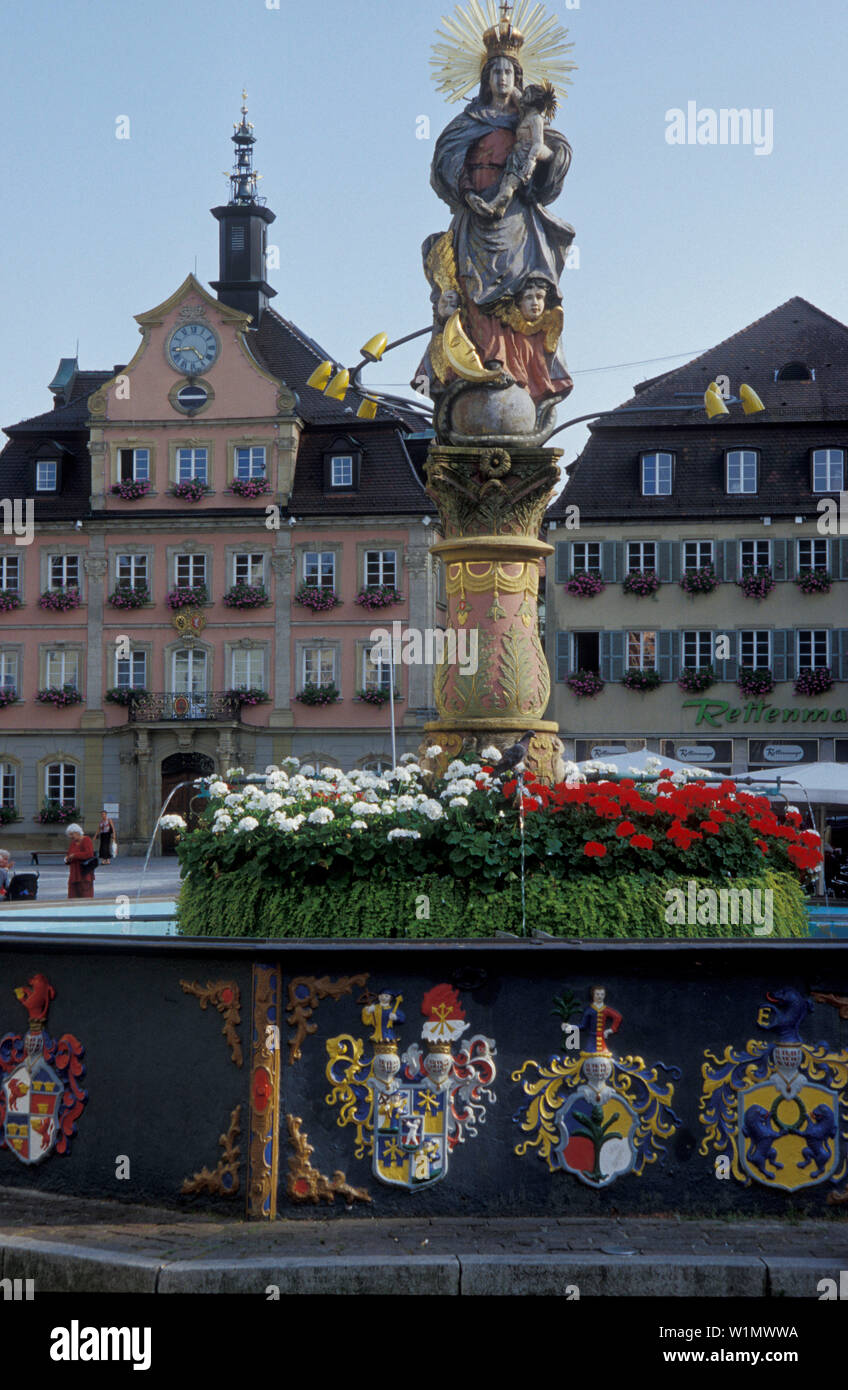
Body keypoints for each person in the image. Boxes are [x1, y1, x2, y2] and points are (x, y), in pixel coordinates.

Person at [429, 52, 575, 404]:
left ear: (518, 77)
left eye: (508, 71)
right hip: (475, 212)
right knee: (470, 289)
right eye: (494, 71)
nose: (502, 77)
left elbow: (559, 153)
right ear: (485, 78)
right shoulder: (468, 120)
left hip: (515, 219)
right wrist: (466, 192)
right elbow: (443, 161)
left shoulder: (527, 118)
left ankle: (520, 376)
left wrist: (542, 154)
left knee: (517, 290)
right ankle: (475, 370)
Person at [467, 82, 558, 220]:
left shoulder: (536, 119)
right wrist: (507, 79)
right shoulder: (525, 114)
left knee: (509, 185)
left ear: (532, 100)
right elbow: (515, 94)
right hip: (516, 156)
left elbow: (538, 143)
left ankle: (492, 205)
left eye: (526, 94)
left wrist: (531, 160)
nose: (522, 97)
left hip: (525, 157)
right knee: (505, 182)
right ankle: (501, 209)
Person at [65, 824, 95, 899]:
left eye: (72, 834)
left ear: (77, 832)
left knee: (86, 897)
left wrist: (75, 855)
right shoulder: (73, 843)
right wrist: (67, 859)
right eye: (70, 835)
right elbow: (69, 854)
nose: (71, 837)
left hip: (84, 874)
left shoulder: (86, 840)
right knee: (72, 897)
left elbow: (89, 854)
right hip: (74, 875)